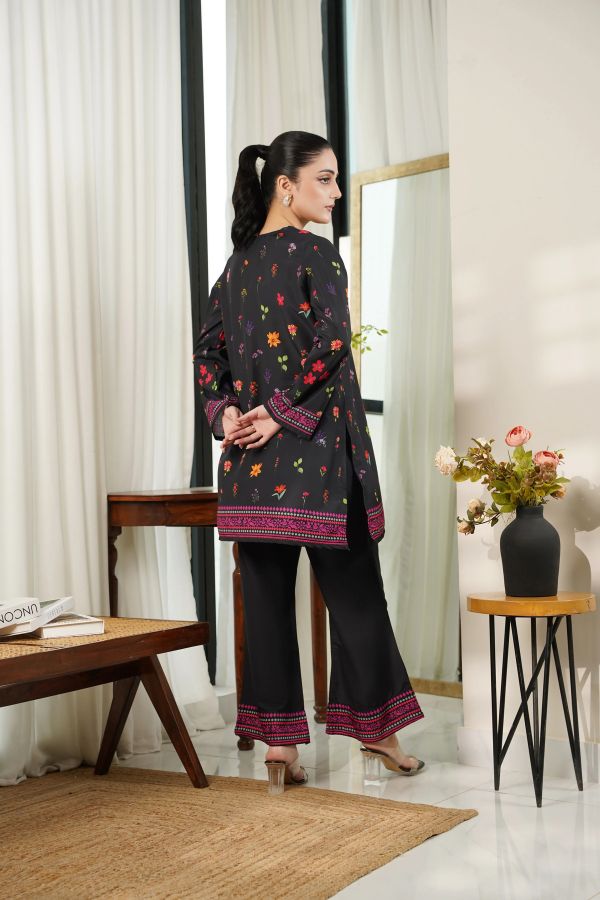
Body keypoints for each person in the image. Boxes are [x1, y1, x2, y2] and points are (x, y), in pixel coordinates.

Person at [193, 130, 424, 791]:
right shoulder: (315, 256)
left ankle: (278, 748)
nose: (335, 192)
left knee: (265, 605)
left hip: (249, 472)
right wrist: (277, 414)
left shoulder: (233, 269)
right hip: (317, 463)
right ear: (286, 186)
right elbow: (332, 348)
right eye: (324, 179)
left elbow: (205, 358)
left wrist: (227, 416)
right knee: (356, 600)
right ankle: (379, 735)